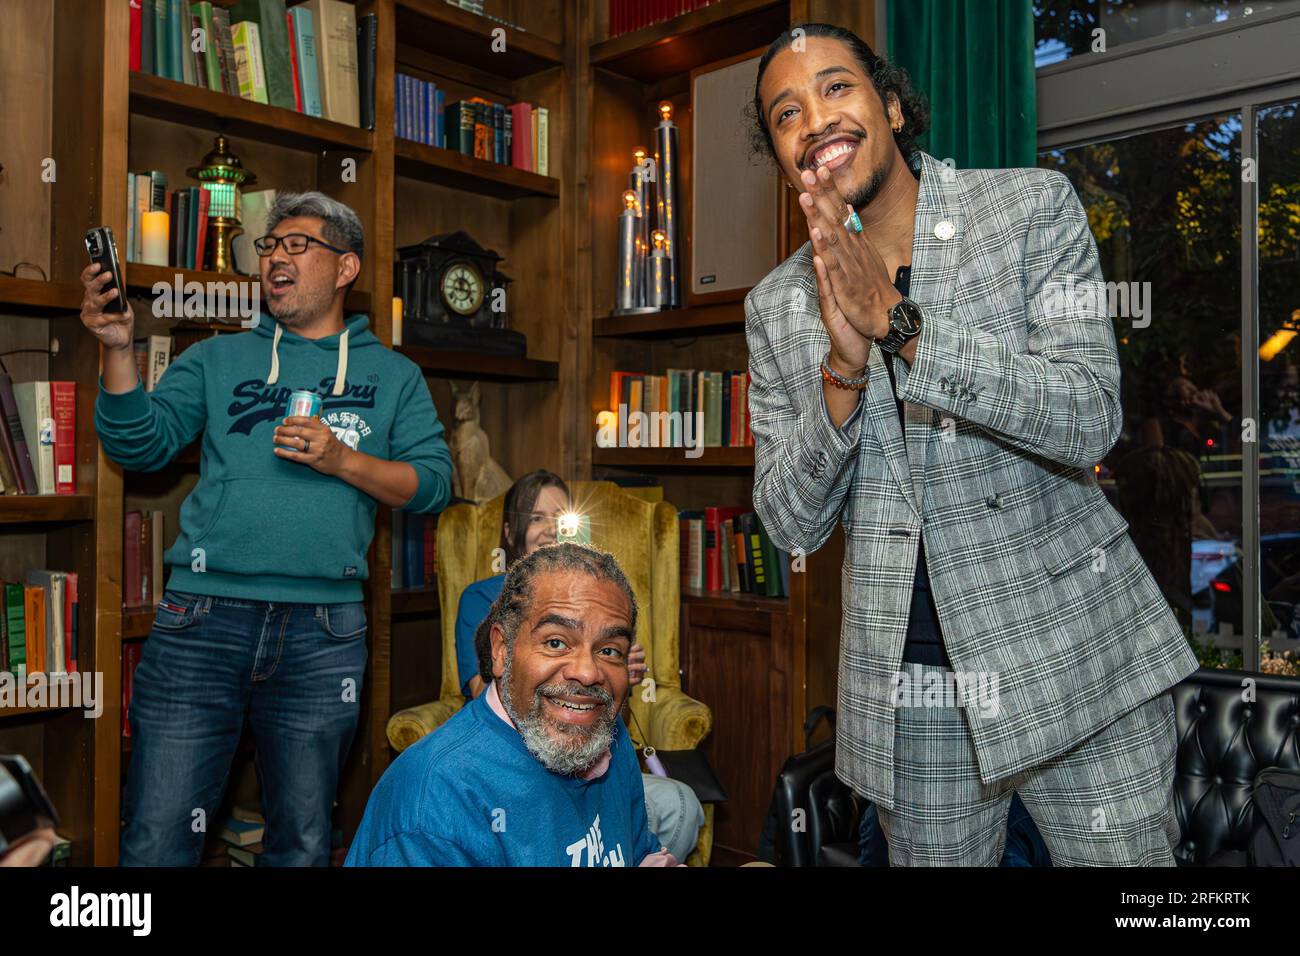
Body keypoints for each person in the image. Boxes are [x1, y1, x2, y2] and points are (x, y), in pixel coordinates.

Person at [746, 23, 1198, 865]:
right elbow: (789, 523)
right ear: (781, 153)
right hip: (911, 698)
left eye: (837, 88)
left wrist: (902, 326)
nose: (814, 119)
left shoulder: (1027, 209)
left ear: (889, 105)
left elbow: (1090, 412)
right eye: (786, 113)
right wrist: (841, 376)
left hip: (1074, 654)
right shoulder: (776, 308)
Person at [83, 191, 453, 866]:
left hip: (325, 633)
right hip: (201, 619)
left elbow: (431, 484)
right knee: (157, 836)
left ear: (345, 268)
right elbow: (139, 447)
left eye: (297, 245)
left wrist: (345, 460)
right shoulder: (216, 359)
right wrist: (116, 348)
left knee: (304, 842)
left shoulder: (394, 375)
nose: (276, 257)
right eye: (269, 246)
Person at [346, 543, 679, 866]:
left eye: (609, 650)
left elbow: (640, 854)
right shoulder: (436, 802)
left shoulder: (607, 732)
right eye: (556, 642)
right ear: (502, 650)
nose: (588, 672)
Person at [452, 469, 706, 862]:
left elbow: (602, 716)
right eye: (537, 517)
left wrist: (617, 677)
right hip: (518, 764)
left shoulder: (602, 602)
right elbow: (479, 692)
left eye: (561, 516)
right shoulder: (481, 597)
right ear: (508, 531)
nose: (550, 528)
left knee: (682, 804)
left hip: (585, 763)